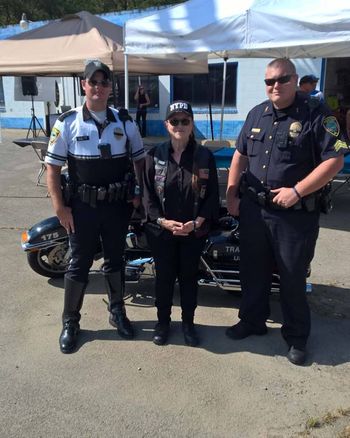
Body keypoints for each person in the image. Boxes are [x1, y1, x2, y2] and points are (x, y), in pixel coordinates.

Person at [226, 58, 348, 365]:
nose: (275, 86)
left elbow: (335, 160)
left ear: (294, 80)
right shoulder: (257, 113)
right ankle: (252, 320)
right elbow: (240, 154)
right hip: (255, 210)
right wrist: (231, 194)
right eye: (269, 82)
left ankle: (296, 336)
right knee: (253, 271)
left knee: (292, 278)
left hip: (294, 216)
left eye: (281, 79)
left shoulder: (316, 114)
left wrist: (297, 191)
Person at [45, 60, 145, 354]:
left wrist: (138, 192)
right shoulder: (67, 122)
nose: (99, 88)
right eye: (93, 82)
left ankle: (117, 313)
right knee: (79, 264)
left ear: (110, 87)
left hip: (116, 208)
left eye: (104, 82)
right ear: (83, 85)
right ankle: (71, 322)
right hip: (82, 210)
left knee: (116, 261)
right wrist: (60, 208)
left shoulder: (125, 121)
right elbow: (52, 168)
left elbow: (140, 161)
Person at [143, 100, 220, 347]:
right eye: (174, 121)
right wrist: (162, 221)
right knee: (163, 279)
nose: (180, 125)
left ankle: (188, 323)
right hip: (162, 232)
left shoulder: (204, 156)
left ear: (192, 124)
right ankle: (162, 323)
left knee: (188, 279)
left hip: (192, 233)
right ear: (167, 125)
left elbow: (212, 196)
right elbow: (147, 195)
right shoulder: (154, 155)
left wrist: (197, 222)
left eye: (185, 121)